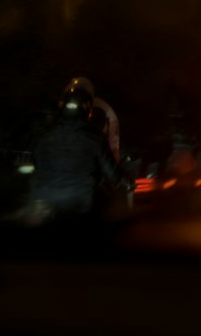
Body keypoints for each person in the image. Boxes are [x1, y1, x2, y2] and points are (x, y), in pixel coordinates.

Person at [28, 77, 127, 226]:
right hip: (80, 203)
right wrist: (124, 181)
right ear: (88, 110)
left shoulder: (44, 136)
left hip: (43, 201)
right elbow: (112, 173)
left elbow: (35, 161)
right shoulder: (95, 139)